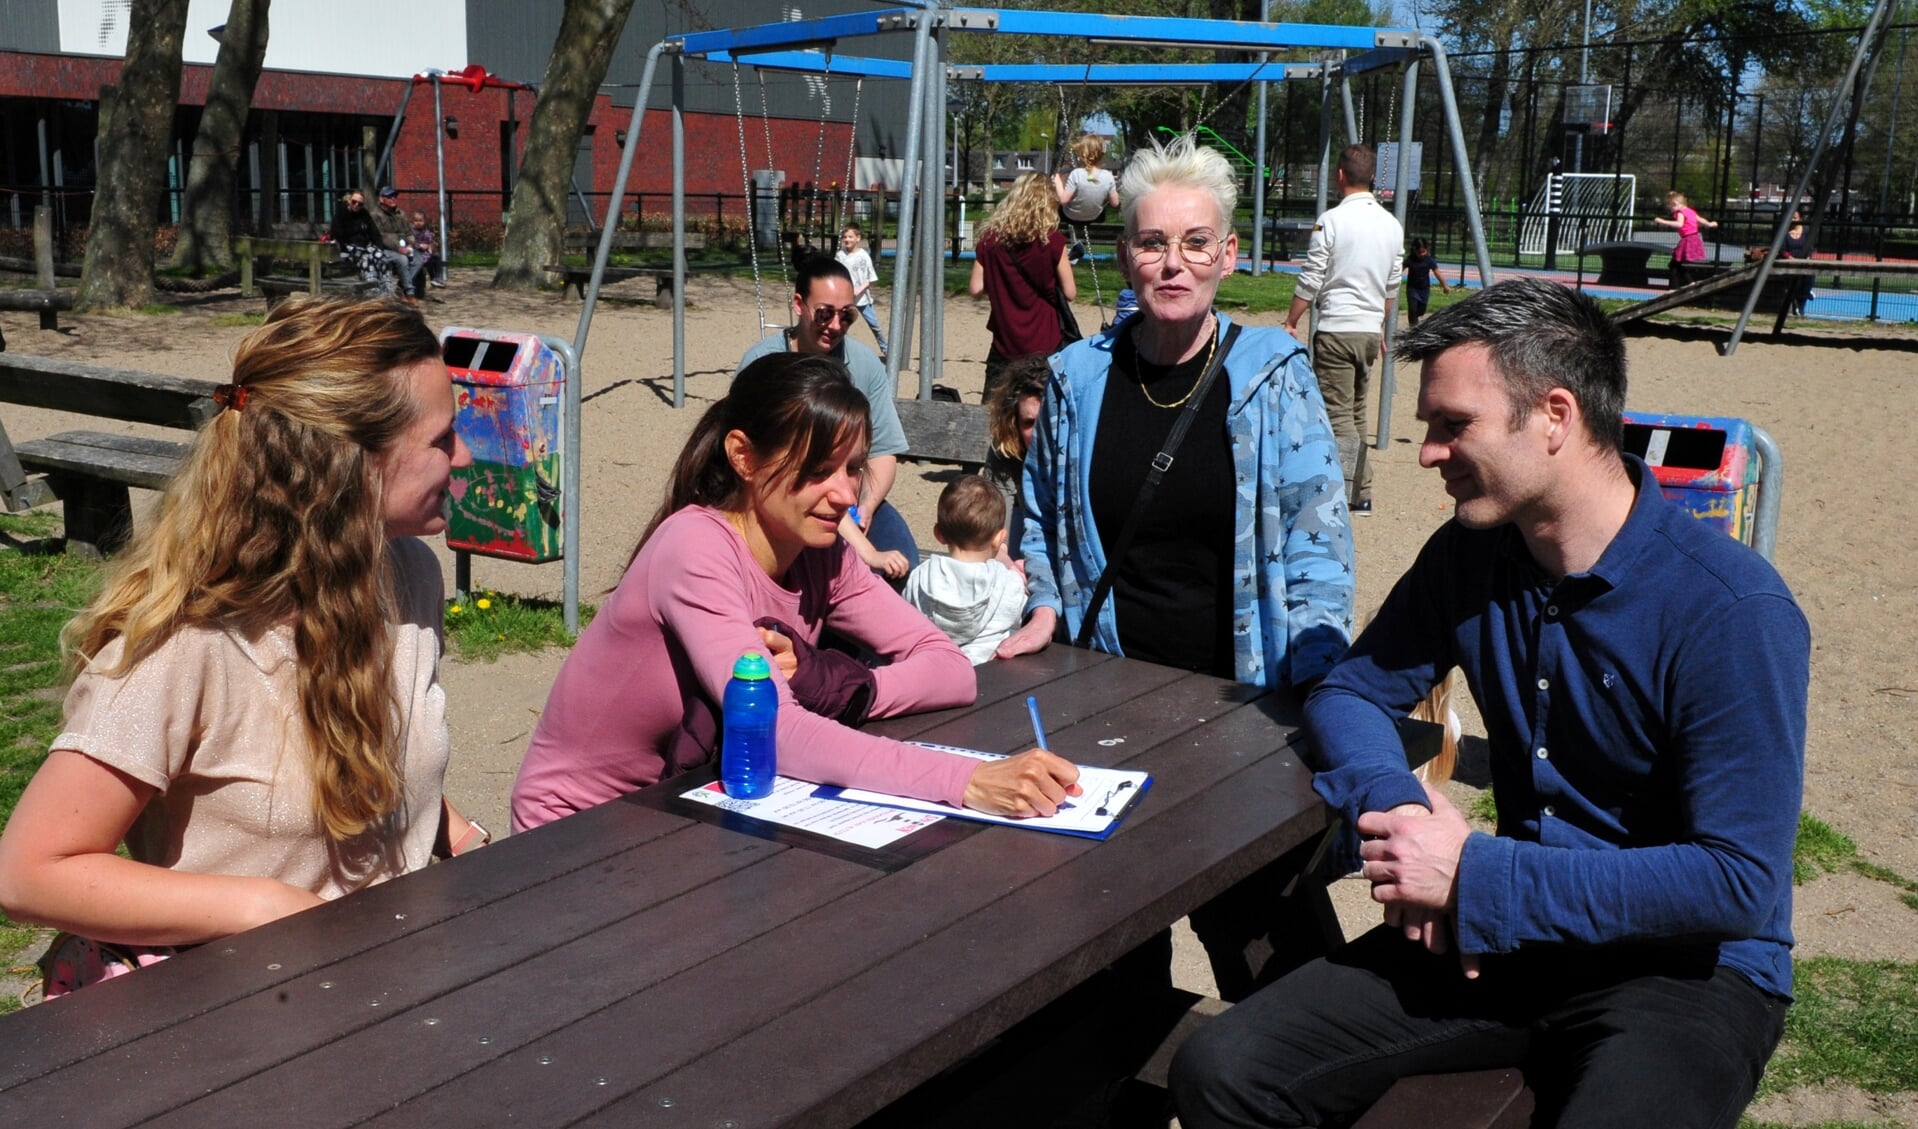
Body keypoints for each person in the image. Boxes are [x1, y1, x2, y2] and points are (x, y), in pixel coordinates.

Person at [1170, 278, 1809, 1129]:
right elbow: (1353, 689)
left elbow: (1736, 881)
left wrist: (1476, 874)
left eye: (1452, 424)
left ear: (1555, 415)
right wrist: (1397, 807)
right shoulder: (1474, 554)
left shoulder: (1732, 609)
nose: (1427, 450)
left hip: (1686, 969)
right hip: (1510, 939)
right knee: (1223, 1068)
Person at [0, 297, 487, 995]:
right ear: (353, 466)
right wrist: (263, 906)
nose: (463, 454)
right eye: (443, 438)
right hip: (233, 1023)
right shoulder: (188, 640)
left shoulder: (407, 574)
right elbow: (29, 869)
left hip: (379, 994)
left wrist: (465, 837)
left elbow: (363, 761)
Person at [999, 132, 1354, 1002]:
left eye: (1196, 242)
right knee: (1107, 946)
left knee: (1271, 947)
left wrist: (1316, 668)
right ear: (1123, 253)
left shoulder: (1273, 376)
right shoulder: (1077, 379)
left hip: (1241, 700)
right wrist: (1043, 600)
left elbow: (1319, 539)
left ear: (1228, 255)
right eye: (1153, 242)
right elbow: (1039, 514)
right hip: (1108, 703)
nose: (1173, 263)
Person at [508, 353, 1082, 832]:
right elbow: (778, 730)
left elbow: (951, 671)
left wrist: (828, 681)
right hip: (579, 831)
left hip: (694, 804)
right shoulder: (695, 548)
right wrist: (967, 780)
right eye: (817, 470)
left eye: (852, 469)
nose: (843, 495)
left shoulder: (821, 552)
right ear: (744, 458)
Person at [738, 254, 918, 578]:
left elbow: (883, 452)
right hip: (782, 502)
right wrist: (865, 550)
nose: (835, 326)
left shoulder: (864, 365)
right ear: (799, 304)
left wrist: (866, 505)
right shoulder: (765, 365)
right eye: (824, 313)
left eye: (846, 316)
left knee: (904, 563)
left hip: (849, 499)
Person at [1286, 144, 1404, 516]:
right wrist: (1381, 323)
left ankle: (1357, 489)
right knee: (1356, 411)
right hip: (1369, 329)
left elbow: (1312, 276)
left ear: (1340, 176)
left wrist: (1292, 320)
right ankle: (1359, 488)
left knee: (1337, 414)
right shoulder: (1392, 224)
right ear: (1371, 177)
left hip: (1337, 327)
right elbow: (1392, 285)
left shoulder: (1331, 220)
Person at [970, 171, 1076, 403]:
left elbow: (976, 287)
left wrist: (1001, 283)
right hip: (1045, 341)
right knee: (1044, 412)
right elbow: (1070, 293)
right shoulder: (1053, 241)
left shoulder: (989, 241)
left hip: (1004, 341)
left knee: (994, 413)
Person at [902, 475, 1027, 665]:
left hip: (934, 668)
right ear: (1000, 539)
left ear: (939, 534)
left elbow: (906, 619)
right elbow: (1027, 619)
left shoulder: (921, 575)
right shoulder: (1007, 582)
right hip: (993, 672)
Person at [982, 353, 1049, 559]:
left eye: (1045, 420)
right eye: (1028, 423)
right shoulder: (1006, 451)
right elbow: (994, 534)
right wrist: (1009, 570)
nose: (1038, 432)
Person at [1052, 132, 1121, 262]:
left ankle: (1059, 246)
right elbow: (1115, 203)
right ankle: (1072, 249)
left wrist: (1057, 182)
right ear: (1101, 154)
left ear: (1082, 154)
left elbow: (1063, 200)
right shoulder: (1108, 176)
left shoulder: (1076, 174)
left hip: (1069, 216)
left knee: (1055, 207)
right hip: (1095, 217)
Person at [328, 191, 398, 294]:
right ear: (349, 201)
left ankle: (387, 292)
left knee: (382, 259)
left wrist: (379, 247)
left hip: (365, 245)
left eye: (360, 204)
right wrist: (345, 248)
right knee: (367, 260)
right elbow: (337, 233)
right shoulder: (341, 213)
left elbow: (374, 232)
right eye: (354, 202)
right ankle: (372, 293)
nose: (356, 205)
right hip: (349, 247)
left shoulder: (364, 214)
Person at [835, 223, 888, 359]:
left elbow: (870, 278)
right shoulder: (840, 256)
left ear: (858, 238)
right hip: (845, 299)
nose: (847, 239)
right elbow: (836, 275)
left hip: (862, 298)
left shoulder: (863, 255)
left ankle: (886, 349)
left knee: (874, 325)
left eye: (850, 237)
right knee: (840, 325)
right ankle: (838, 350)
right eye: (845, 237)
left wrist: (858, 290)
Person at [1654, 190, 1718, 289]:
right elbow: (1701, 220)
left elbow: (1680, 224)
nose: (1671, 210)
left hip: (1687, 239)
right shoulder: (1690, 211)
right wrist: (1710, 224)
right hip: (1695, 238)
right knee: (1676, 263)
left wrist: (1663, 221)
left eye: (1671, 207)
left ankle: (1674, 288)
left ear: (1675, 203)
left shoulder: (1680, 212)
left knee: (1674, 263)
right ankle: (1690, 283)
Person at [371, 186, 423, 299]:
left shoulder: (401, 213)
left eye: (395, 196)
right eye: (389, 196)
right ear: (381, 199)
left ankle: (400, 288)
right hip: (385, 249)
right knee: (402, 260)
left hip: (404, 248)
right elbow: (381, 236)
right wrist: (398, 248)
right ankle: (410, 293)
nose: (393, 198)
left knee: (419, 259)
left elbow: (409, 232)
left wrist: (410, 244)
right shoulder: (376, 215)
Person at [1402, 236, 1452, 328]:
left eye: (1424, 251)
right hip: (1412, 288)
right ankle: (1413, 329)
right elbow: (1400, 270)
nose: (1422, 254)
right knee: (1412, 310)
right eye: (1419, 252)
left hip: (1424, 289)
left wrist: (1445, 286)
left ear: (1427, 250)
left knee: (1421, 311)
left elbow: (1437, 273)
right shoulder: (1410, 259)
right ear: (1414, 251)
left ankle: (1415, 320)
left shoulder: (1429, 260)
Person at [1782, 211, 1813, 316]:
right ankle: (1796, 304)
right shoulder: (1785, 233)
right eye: (1791, 218)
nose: (1793, 220)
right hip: (1791, 261)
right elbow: (1783, 250)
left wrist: (1808, 257)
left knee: (1808, 279)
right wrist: (1790, 257)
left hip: (1804, 260)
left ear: (1800, 218)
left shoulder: (1806, 231)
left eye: (1795, 218)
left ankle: (1802, 304)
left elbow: (1810, 247)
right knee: (1796, 283)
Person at [411, 210, 446, 294]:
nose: (418, 223)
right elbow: (410, 242)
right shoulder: (411, 232)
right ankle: (433, 278)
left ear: (424, 221)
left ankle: (436, 278)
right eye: (416, 221)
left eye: (420, 221)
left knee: (436, 258)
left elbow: (430, 243)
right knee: (429, 261)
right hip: (415, 254)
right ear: (412, 221)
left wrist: (431, 246)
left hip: (425, 255)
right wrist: (419, 245)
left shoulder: (427, 232)